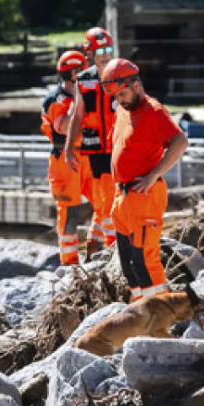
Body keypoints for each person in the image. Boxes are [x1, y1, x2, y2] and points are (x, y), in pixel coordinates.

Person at [100, 59, 189, 301]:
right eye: (116, 96)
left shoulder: (154, 111)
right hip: (122, 196)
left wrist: (153, 175)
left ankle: (164, 313)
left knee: (144, 260)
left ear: (136, 85)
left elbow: (180, 142)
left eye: (123, 93)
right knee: (128, 263)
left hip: (144, 195)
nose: (121, 100)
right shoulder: (122, 110)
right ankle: (141, 311)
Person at [64, 27, 119, 257]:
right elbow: (77, 116)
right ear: (90, 53)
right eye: (100, 51)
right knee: (104, 200)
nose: (106, 55)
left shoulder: (121, 73)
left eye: (108, 49)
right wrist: (68, 149)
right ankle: (109, 245)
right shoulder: (84, 81)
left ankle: (111, 244)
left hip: (119, 147)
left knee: (115, 198)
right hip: (95, 150)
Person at [41, 50, 93, 266]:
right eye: (83, 69)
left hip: (89, 155)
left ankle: (97, 246)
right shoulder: (55, 100)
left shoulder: (89, 94)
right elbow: (63, 127)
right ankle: (69, 263)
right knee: (69, 211)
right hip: (64, 158)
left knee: (104, 202)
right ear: (73, 73)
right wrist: (79, 105)